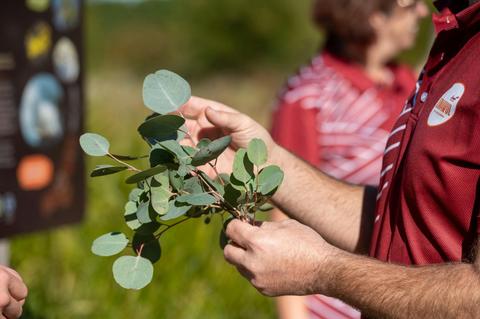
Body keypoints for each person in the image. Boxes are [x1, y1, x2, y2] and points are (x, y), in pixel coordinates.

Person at [180, 0, 480, 316]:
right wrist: (267, 165)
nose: (411, 5)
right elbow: (398, 227)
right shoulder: (455, 44)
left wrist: (321, 270)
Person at [270, 0, 427, 317]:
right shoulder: (309, 96)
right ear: (374, 17)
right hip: (330, 301)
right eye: (410, 5)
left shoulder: (412, 84)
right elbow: (282, 205)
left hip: (402, 294)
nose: (422, 12)